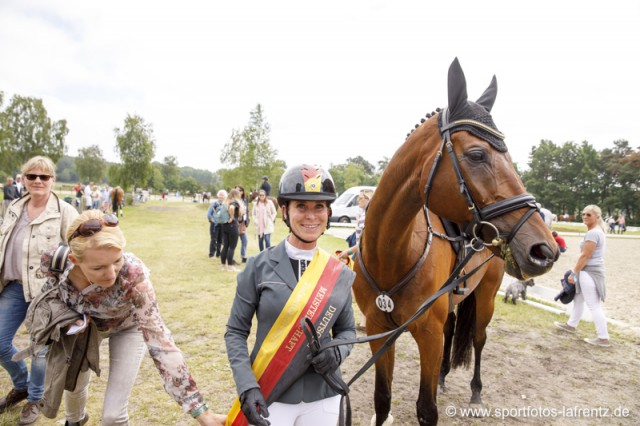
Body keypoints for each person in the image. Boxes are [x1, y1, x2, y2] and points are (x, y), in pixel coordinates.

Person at [25, 210, 226, 425]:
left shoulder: (133, 276)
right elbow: (47, 297)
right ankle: (74, 420)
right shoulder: (55, 261)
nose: (111, 274)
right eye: (98, 267)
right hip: (81, 329)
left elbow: (161, 343)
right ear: (75, 260)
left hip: (128, 328)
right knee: (73, 382)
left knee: (113, 416)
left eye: (117, 261)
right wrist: (67, 319)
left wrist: (200, 411)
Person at [225, 164, 356, 426]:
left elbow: (348, 331)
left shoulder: (337, 272)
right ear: (285, 211)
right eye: (301, 207)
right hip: (270, 393)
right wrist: (247, 386)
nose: (311, 216)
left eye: (319, 207)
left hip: (324, 393)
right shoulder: (257, 266)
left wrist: (338, 352)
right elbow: (236, 332)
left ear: (328, 213)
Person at [0, 156, 78, 425]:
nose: (37, 181)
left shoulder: (65, 211)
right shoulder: (12, 207)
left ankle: (35, 399)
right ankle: (21, 385)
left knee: (40, 350)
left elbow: (80, 248)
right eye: (31, 176)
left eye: (44, 177)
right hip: (13, 287)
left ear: (52, 181)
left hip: (47, 293)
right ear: (23, 179)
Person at [554, 204, 609, 347]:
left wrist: (574, 272)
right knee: (578, 299)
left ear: (597, 216)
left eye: (588, 215)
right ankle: (571, 325)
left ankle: (603, 338)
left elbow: (585, 255)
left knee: (593, 305)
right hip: (588, 270)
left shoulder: (593, 233)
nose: (584, 216)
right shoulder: (596, 231)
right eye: (583, 214)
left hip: (589, 271)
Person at [339, 188, 374, 331]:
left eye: (361, 198)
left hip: (364, 255)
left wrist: (347, 251)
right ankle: (364, 322)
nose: (358, 201)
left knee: (357, 287)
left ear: (367, 200)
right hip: (360, 254)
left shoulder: (369, 217)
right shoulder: (363, 215)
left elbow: (364, 242)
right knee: (362, 287)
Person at [220, 188, 245, 272]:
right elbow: (231, 208)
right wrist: (232, 217)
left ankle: (223, 265)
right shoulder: (234, 202)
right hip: (232, 225)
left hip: (225, 225)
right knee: (232, 247)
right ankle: (230, 266)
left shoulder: (226, 202)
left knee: (225, 246)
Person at [207, 189, 227, 258]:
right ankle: (211, 254)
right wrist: (212, 219)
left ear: (225, 196)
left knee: (220, 240)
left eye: (223, 195)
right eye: (220, 195)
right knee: (213, 239)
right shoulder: (214, 203)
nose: (221, 196)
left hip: (223, 224)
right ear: (218, 196)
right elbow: (209, 214)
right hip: (215, 225)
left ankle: (218, 254)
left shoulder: (226, 204)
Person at [235, 186, 250, 263]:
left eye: (240, 190)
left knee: (245, 241)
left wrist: (247, 221)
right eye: (237, 190)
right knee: (233, 242)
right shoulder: (234, 200)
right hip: (236, 223)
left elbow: (247, 211)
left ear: (243, 192)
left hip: (243, 224)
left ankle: (243, 256)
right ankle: (231, 257)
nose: (239, 191)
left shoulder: (244, 200)